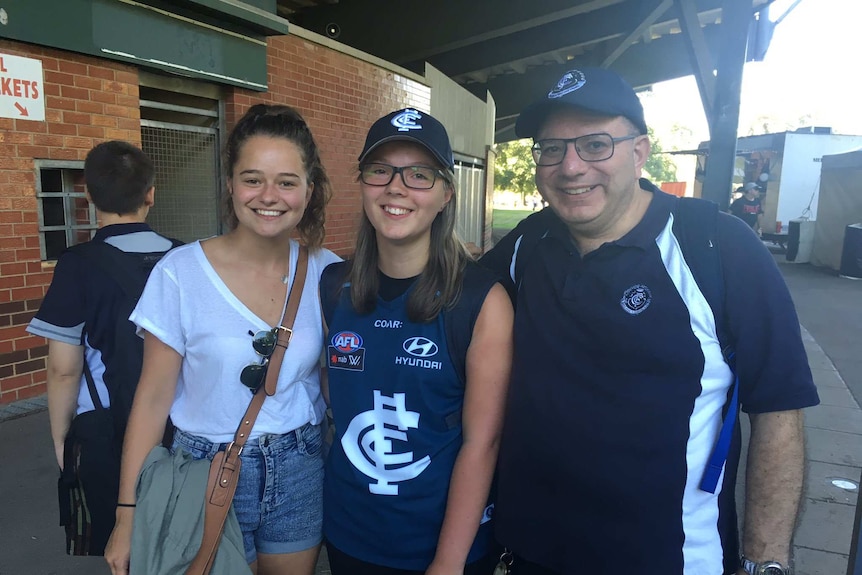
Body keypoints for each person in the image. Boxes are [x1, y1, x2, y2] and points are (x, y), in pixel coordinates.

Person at [480, 67, 819, 575]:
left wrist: (765, 563)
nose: (570, 167)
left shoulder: (717, 247)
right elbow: (444, 312)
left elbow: (779, 411)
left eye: (595, 145)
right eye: (551, 148)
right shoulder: (527, 245)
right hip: (531, 554)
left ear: (639, 152)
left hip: (670, 558)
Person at [104, 104, 341, 575]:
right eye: (252, 179)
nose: (268, 196)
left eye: (287, 182)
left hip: (300, 465)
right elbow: (152, 399)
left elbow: (333, 378)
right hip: (204, 469)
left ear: (308, 191)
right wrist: (127, 515)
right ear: (230, 184)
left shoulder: (326, 271)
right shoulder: (180, 273)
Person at [319, 108, 513, 575]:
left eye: (419, 174)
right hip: (349, 533)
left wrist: (447, 563)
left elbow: (481, 444)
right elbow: (332, 392)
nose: (396, 187)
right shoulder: (331, 285)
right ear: (363, 183)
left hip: (441, 546)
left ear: (446, 193)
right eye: (380, 170)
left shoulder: (481, 301)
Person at [26, 140, 178, 557]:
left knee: (124, 544)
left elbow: (63, 369)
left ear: (89, 196)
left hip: (108, 430)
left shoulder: (78, 264)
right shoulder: (186, 257)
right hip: (183, 424)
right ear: (150, 193)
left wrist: (61, 439)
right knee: (182, 537)